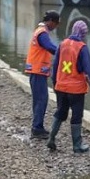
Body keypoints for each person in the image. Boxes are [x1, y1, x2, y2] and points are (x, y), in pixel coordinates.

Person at [47, 20, 90, 153]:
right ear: (83, 34)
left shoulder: (62, 44)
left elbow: (55, 66)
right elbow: (88, 70)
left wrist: (55, 84)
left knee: (61, 112)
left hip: (61, 87)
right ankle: (77, 145)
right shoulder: (82, 48)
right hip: (76, 90)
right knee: (76, 116)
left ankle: (51, 138)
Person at [25, 10, 60, 139]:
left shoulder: (40, 31)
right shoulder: (42, 33)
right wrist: (64, 52)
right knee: (41, 100)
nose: (56, 27)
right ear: (50, 21)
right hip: (37, 71)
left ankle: (37, 126)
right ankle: (37, 128)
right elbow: (49, 46)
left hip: (38, 71)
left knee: (39, 100)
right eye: (56, 24)